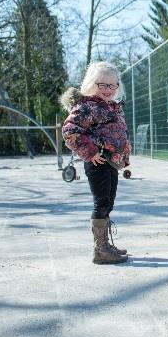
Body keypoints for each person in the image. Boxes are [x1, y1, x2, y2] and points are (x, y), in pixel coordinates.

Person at [61, 61, 130, 265]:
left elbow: (119, 134)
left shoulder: (113, 107)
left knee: (108, 202)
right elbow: (70, 131)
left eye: (112, 85)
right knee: (101, 203)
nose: (108, 90)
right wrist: (90, 152)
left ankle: (106, 244)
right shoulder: (87, 106)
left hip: (111, 163)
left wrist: (123, 157)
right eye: (103, 85)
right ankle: (100, 249)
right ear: (92, 83)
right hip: (98, 161)